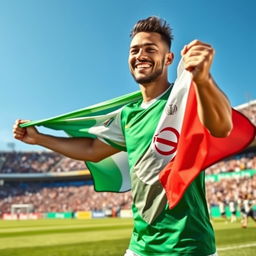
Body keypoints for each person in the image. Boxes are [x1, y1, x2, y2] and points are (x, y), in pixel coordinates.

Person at [13, 16, 233, 256]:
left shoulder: (186, 96)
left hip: (190, 247)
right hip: (140, 247)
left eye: (151, 49)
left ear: (169, 58)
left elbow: (222, 127)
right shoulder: (127, 115)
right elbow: (91, 150)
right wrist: (40, 139)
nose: (140, 55)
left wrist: (204, 79)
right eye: (135, 50)